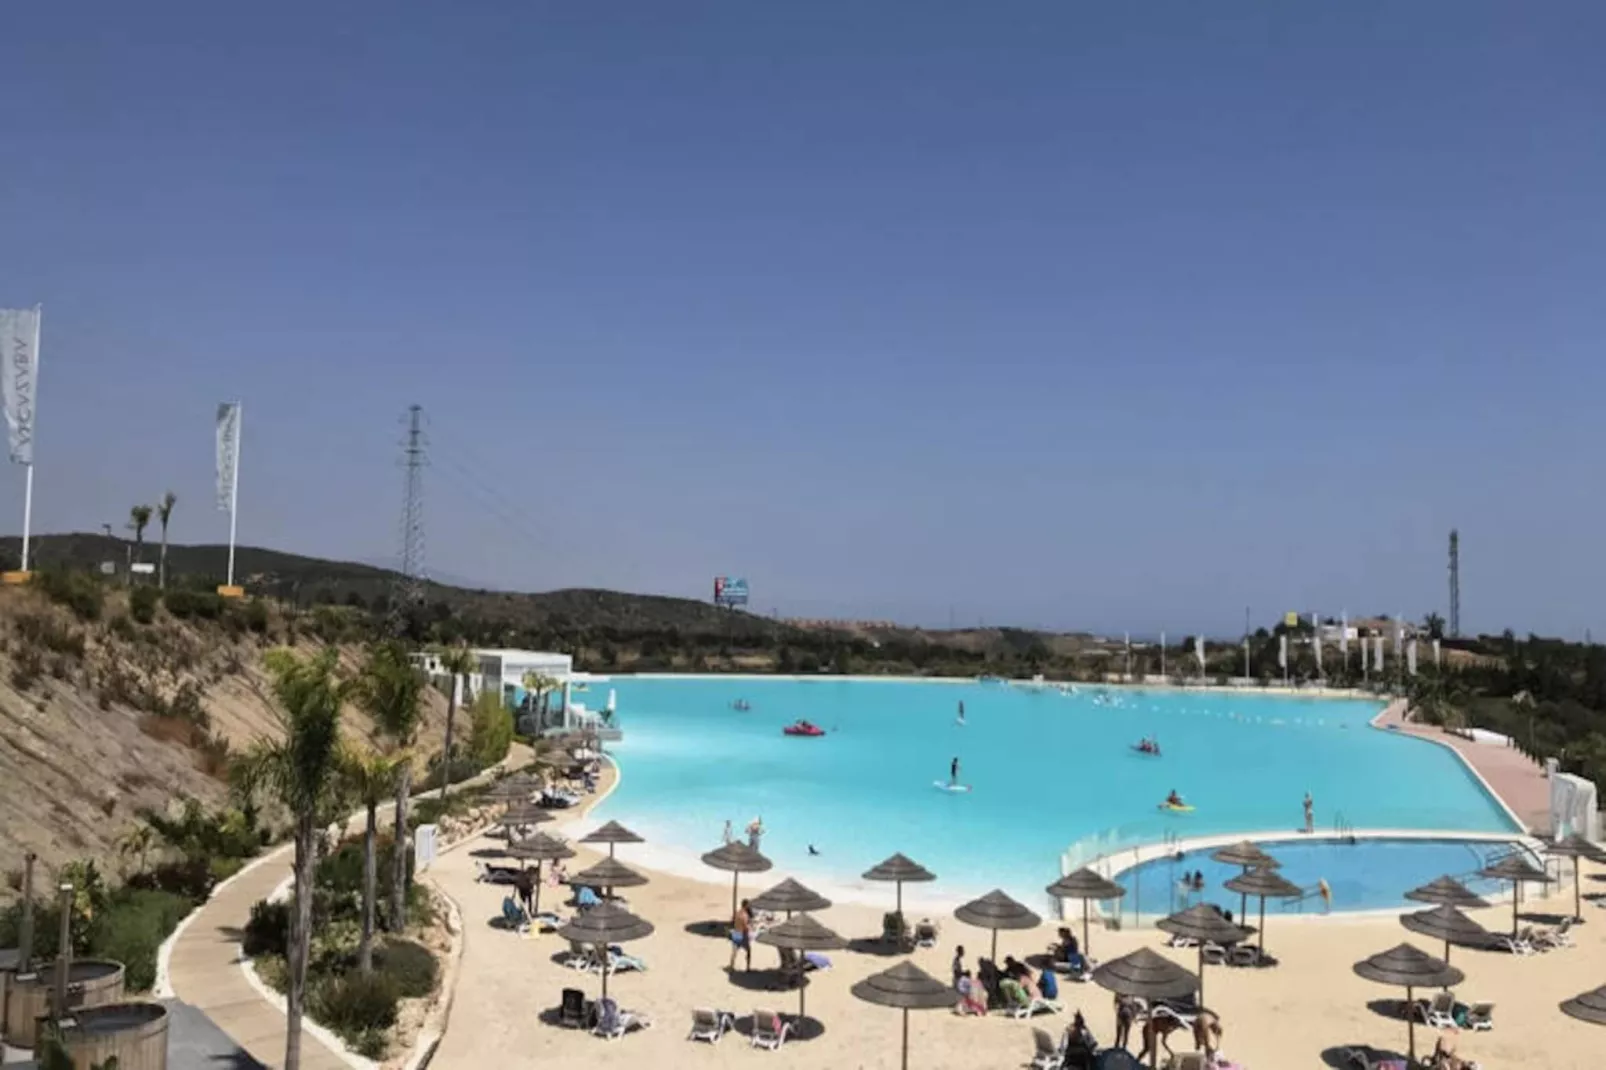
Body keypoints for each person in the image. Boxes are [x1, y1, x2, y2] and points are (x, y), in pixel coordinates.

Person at [729, 898, 753, 971]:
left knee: (734, 952)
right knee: (748, 951)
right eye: (748, 905)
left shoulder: (737, 913)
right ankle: (748, 968)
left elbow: (733, 922)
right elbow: (745, 926)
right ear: (746, 905)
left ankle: (731, 966)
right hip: (742, 934)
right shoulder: (745, 915)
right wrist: (750, 929)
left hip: (736, 933)